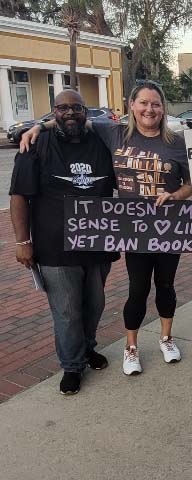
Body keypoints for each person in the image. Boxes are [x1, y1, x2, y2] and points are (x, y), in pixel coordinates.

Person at [22, 81, 192, 376]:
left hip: (168, 227)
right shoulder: (113, 133)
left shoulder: (177, 143)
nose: (149, 109)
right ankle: (131, 347)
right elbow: (72, 116)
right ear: (132, 105)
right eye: (143, 103)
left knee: (166, 285)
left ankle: (166, 338)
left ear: (163, 108)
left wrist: (177, 195)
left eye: (155, 104)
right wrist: (40, 127)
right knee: (137, 289)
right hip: (134, 229)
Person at [10, 90, 119, 395]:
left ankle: (87, 349)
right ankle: (71, 365)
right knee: (67, 311)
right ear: (52, 113)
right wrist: (22, 241)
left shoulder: (101, 142)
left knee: (94, 305)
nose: (70, 113)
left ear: (87, 112)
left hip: (99, 242)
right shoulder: (35, 145)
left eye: (77, 108)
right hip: (55, 246)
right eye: (63, 108)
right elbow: (19, 195)